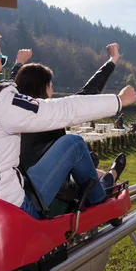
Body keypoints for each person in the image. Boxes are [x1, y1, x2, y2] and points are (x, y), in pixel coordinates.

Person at [0, 22, 136, 219]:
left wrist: (18, 65)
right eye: (1, 59)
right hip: (6, 206)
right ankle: (100, 203)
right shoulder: (0, 101)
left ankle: (104, 182)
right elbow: (67, 108)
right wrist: (118, 101)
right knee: (73, 143)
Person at [14, 44, 126, 211]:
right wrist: (112, 60)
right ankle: (112, 175)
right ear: (45, 88)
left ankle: (106, 172)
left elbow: (7, 85)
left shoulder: (11, 110)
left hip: (21, 190)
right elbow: (87, 94)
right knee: (88, 167)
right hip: (54, 200)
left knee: (88, 165)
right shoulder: (50, 113)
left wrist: (18, 64)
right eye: (50, 85)